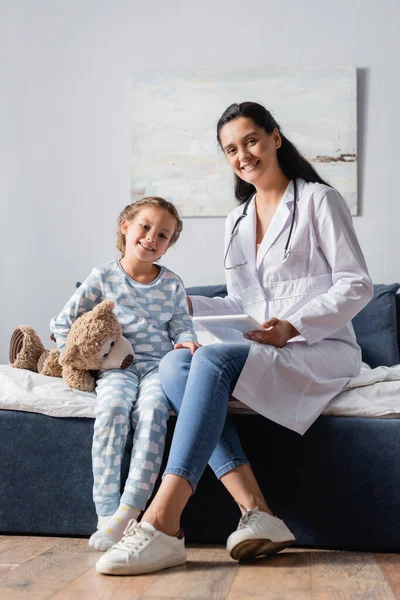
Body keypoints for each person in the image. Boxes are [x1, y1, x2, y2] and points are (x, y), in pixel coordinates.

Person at [95, 102, 373, 576]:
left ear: (275, 138)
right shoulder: (238, 220)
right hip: (265, 347)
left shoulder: (318, 201)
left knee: (212, 360)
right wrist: (177, 302)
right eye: (230, 149)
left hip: (320, 349)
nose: (242, 154)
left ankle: (162, 522)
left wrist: (295, 325)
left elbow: (356, 283)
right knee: (174, 365)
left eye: (250, 141)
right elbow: (244, 304)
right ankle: (258, 513)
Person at [50, 196, 199, 552]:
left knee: (152, 413)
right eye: (145, 227)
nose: (151, 238)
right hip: (116, 367)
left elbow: (182, 327)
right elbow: (62, 324)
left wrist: (187, 343)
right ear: (126, 226)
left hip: (158, 367)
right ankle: (106, 514)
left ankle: (129, 512)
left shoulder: (173, 284)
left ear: (168, 245)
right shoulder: (102, 276)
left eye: (163, 235)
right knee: (114, 409)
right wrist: (83, 356)